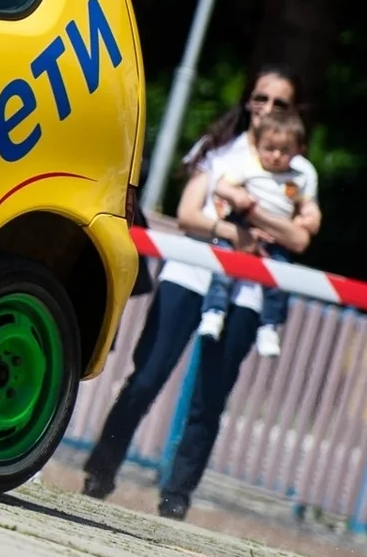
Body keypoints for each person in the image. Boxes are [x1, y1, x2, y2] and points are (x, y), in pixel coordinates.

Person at [82, 65, 321, 519]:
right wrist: (233, 230)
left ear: (295, 111)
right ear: (248, 100)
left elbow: (299, 239)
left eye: (279, 103)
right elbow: (190, 214)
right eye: (260, 99)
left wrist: (259, 219)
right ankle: (101, 469)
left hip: (248, 291)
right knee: (147, 376)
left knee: (210, 397)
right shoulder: (221, 151)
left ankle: (177, 496)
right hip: (192, 272)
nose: (266, 109)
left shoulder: (299, 169)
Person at [195, 108, 315, 357]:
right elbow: (220, 186)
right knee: (224, 271)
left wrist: (311, 216)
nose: (276, 155)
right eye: (270, 148)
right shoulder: (248, 167)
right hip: (242, 226)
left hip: (276, 239)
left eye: (284, 151)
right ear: (257, 145)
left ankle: (269, 326)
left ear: (298, 151)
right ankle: (214, 312)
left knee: (279, 282)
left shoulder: (299, 178)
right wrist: (236, 195)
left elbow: (306, 203)